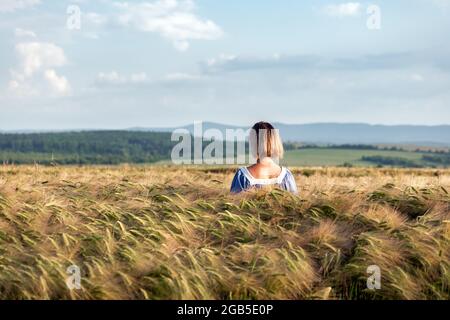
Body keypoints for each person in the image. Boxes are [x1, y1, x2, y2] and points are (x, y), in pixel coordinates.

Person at [230, 121, 298, 194]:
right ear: (275, 142)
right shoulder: (286, 176)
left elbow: (234, 201)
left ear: (254, 143)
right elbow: (295, 203)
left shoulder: (243, 176)